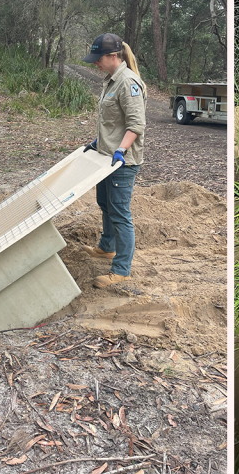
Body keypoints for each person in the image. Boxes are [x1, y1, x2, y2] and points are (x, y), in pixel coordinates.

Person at [81, 33, 147, 289]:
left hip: (122, 161)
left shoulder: (128, 82)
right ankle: (106, 247)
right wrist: (99, 143)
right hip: (106, 158)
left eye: (98, 59)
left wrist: (120, 150)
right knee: (103, 202)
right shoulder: (110, 81)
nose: (95, 64)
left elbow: (135, 124)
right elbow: (112, 122)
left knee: (120, 213)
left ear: (112, 56)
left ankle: (121, 269)